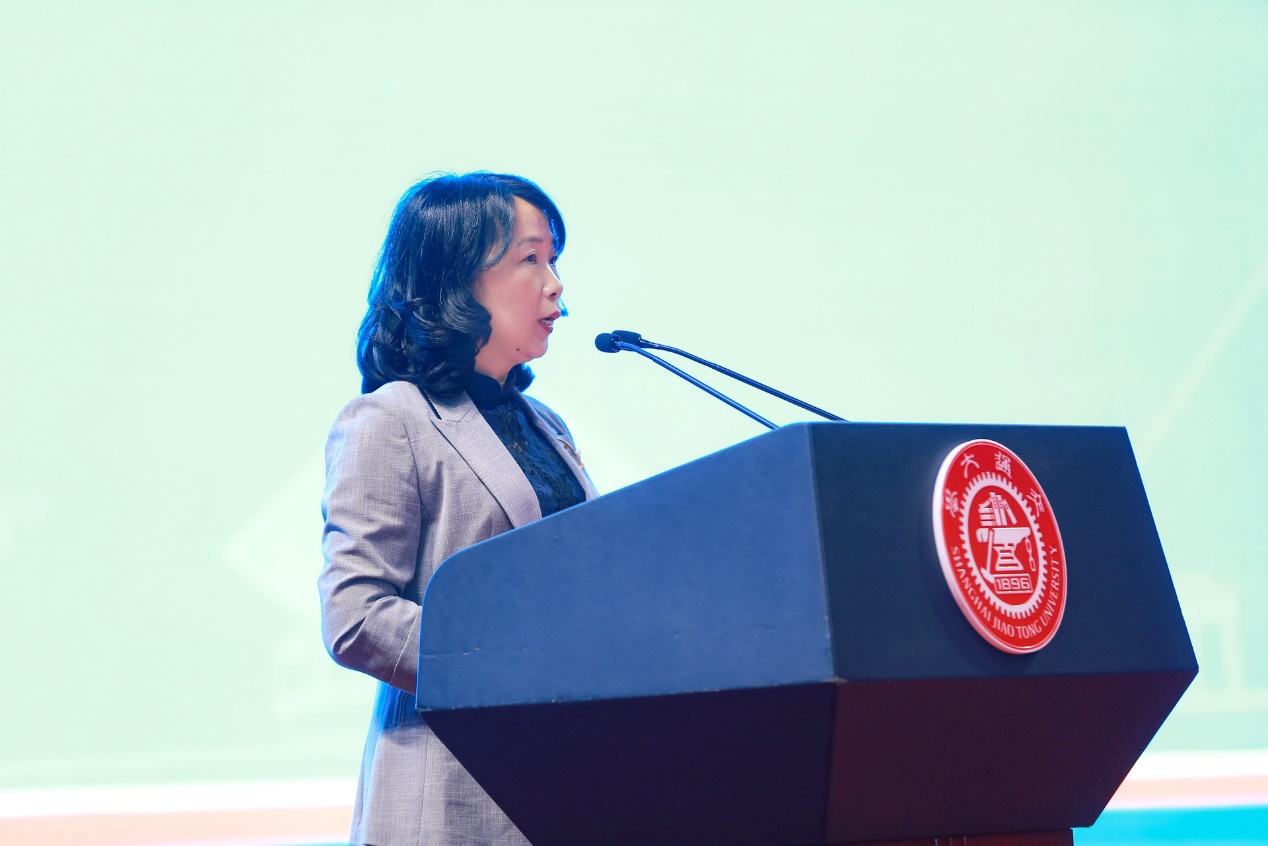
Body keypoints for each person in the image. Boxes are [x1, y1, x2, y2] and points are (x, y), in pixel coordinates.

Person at [319, 172, 597, 846]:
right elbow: (355, 616)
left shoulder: (544, 425)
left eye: (555, 259)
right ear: (457, 280)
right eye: (530, 259)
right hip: (452, 796)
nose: (555, 285)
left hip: (564, 783)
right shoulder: (391, 419)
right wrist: (515, 662)